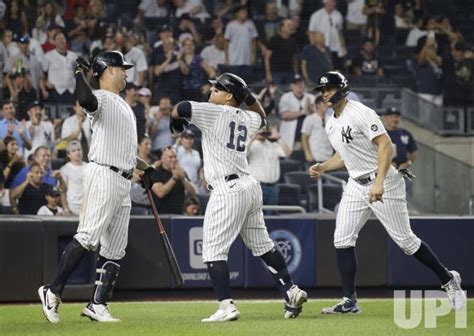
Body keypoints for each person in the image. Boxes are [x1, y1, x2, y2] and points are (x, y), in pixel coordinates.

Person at [309, 71, 466, 314]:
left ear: (342, 88)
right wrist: (324, 166)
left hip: (384, 182)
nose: (325, 93)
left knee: (406, 241)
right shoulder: (331, 121)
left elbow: (385, 145)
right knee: (342, 239)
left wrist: (379, 182)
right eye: (322, 90)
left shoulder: (360, 112)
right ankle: (349, 301)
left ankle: (448, 280)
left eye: (329, 88)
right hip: (355, 183)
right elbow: (343, 155)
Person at [169, 73, 307, 321]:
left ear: (229, 96)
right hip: (250, 186)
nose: (211, 91)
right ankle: (291, 290)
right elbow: (263, 117)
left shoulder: (215, 112)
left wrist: (175, 121)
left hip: (227, 189)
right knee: (263, 245)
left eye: (217, 89)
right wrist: (247, 96)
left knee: (213, 251)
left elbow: (180, 107)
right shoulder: (247, 117)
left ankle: (226, 307)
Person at [38, 50, 139, 323]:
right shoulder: (102, 99)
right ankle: (52, 290)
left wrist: (144, 169)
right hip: (104, 174)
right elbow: (85, 99)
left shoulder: (123, 105)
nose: (126, 71)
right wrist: (80, 73)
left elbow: (124, 147)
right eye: (121, 67)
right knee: (88, 236)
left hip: (123, 179)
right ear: (108, 70)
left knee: (116, 247)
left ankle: (98, 304)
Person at [247, 126, 290, 208]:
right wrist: (252, 138)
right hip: (257, 186)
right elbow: (243, 154)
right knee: (256, 214)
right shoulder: (251, 145)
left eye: (263, 129)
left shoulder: (273, 145)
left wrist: (279, 138)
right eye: (259, 129)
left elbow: (287, 153)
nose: (261, 132)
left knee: (272, 216)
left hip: (273, 187)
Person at [149, 146, 197, 214]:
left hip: (179, 215)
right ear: (162, 159)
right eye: (170, 157)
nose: (174, 159)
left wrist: (183, 179)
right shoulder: (155, 173)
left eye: (175, 157)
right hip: (161, 216)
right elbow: (160, 193)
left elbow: (193, 193)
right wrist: (174, 178)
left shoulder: (181, 172)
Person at [278, 75, 315, 150]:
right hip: (291, 138)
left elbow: (317, 115)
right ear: (291, 86)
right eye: (296, 84)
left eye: (301, 83)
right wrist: (303, 112)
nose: (299, 85)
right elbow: (285, 115)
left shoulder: (311, 97)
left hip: (309, 138)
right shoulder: (286, 97)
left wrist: (310, 108)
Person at [308, 0, 346, 70]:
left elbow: (339, 32)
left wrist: (342, 46)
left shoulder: (338, 15)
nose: (332, 4)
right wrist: (314, 48)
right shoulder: (316, 15)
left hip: (335, 47)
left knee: (336, 70)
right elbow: (311, 32)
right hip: (322, 48)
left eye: (334, 2)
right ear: (325, 2)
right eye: (331, 1)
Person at [224, 5, 258, 80]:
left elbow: (254, 40)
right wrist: (226, 58)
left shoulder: (250, 24)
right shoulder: (230, 25)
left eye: (246, 12)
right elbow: (226, 42)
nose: (245, 14)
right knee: (234, 82)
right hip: (234, 60)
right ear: (237, 14)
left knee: (247, 82)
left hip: (247, 59)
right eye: (243, 12)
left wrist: (253, 55)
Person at [264, 19, 298, 85]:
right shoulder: (273, 40)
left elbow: (294, 59)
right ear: (282, 27)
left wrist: (296, 73)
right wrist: (268, 73)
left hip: (290, 72)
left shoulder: (293, 41)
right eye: (288, 25)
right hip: (275, 72)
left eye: (292, 25)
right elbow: (267, 58)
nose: (291, 27)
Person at [301, 96, 333, 164]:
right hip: (315, 157)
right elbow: (304, 137)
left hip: (328, 157)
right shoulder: (310, 119)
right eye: (324, 103)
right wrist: (307, 153)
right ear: (317, 105)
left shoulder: (331, 119)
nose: (326, 105)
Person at [59, 140, 88, 216]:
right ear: (69, 154)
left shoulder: (89, 167)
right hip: (72, 208)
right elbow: (62, 191)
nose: (77, 152)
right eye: (73, 151)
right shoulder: (64, 169)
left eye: (79, 150)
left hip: (87, 208)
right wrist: (66, 209)